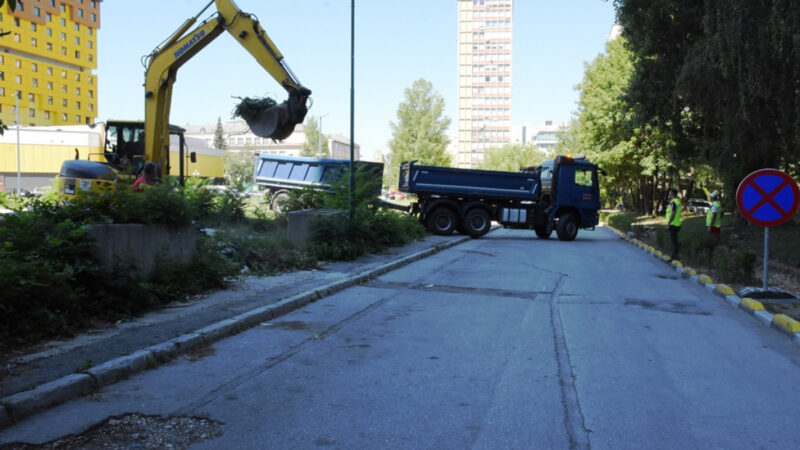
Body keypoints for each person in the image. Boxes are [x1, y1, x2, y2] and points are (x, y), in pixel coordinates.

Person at [666, 188, 682, 261]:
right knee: (674, 241)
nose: (669, 194)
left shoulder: (674, 202)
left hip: (673, 224)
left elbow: (673, 213)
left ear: (672, 194)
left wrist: (669, 223)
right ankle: (675, 256)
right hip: (676, 223)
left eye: (669, 193)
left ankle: (674, 257)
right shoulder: (677, 201)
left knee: (673, 242)